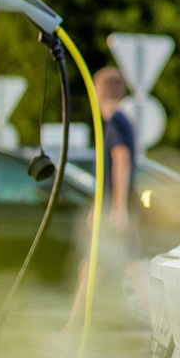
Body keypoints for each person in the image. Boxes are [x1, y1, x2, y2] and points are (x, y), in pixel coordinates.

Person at [63, 66, 149, 333]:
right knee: (115, 268)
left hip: (116, 207)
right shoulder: (124, 121)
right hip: (115, 205)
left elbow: (120, 161)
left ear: (99, 93)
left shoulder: (114, 122)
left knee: (107, 269)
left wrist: (117, 208)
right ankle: (160, 331)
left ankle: (70, 334)